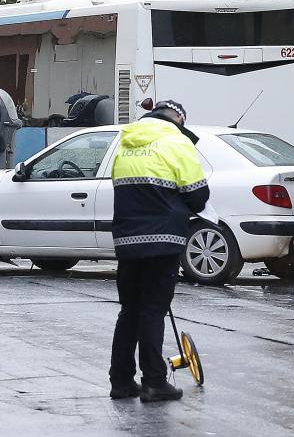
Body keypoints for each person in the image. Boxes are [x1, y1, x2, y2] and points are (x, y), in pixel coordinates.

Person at [109, 99, 209, 402]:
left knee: (129, 310)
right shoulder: (176, 141)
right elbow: (198, 196)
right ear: (178, 118)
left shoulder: (126, 143)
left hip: (127, 240)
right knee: (153, 310)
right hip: (163, 240)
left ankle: (121, 381)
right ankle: (154, 381)